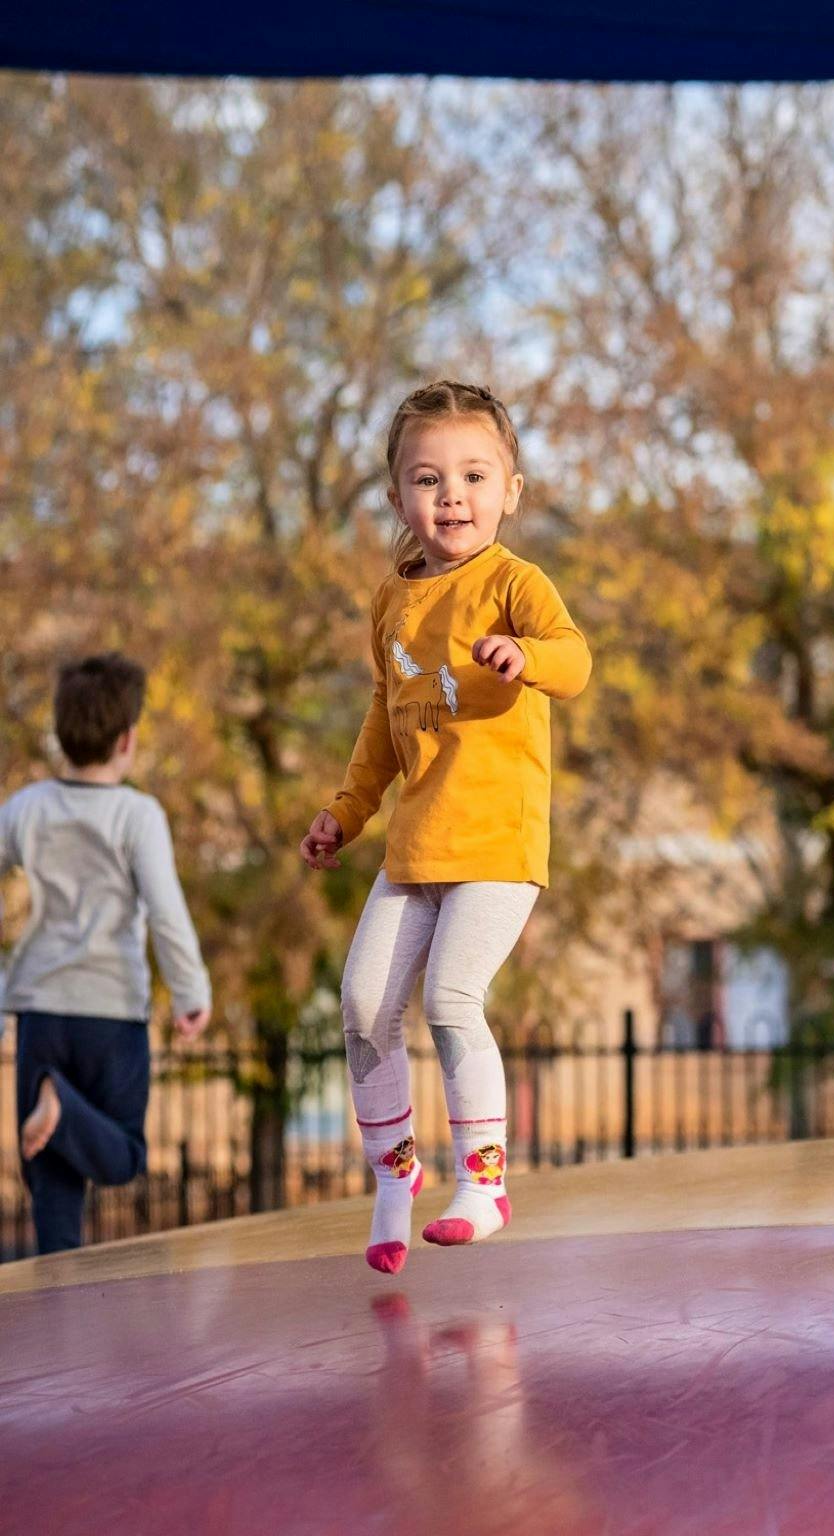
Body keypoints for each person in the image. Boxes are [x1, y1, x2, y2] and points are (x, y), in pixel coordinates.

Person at [301, 380, 590, 1273]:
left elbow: (575, 661)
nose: (452, 496)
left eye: (473, 475)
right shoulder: (392, 603)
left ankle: (486, 1179)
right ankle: (396, 1178)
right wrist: (347, 813)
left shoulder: (514, 583)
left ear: (511, 489)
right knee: (360, 1007)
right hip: (416, 848)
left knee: (451, 999)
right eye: (428, 480)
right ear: (397, 499)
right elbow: (381, 728)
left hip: (498, 846)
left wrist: (527, 656)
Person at [2, 654, 210, 1254]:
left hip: (40, 1010)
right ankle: (62, 1109)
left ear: (61, 737)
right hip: (112, 1012)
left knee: (51, 1186)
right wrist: (191, 992)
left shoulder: (25, 808)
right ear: (127, 740)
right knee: (123, 1157)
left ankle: (60, 1326)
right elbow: (166, 912)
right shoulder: (136, 815)